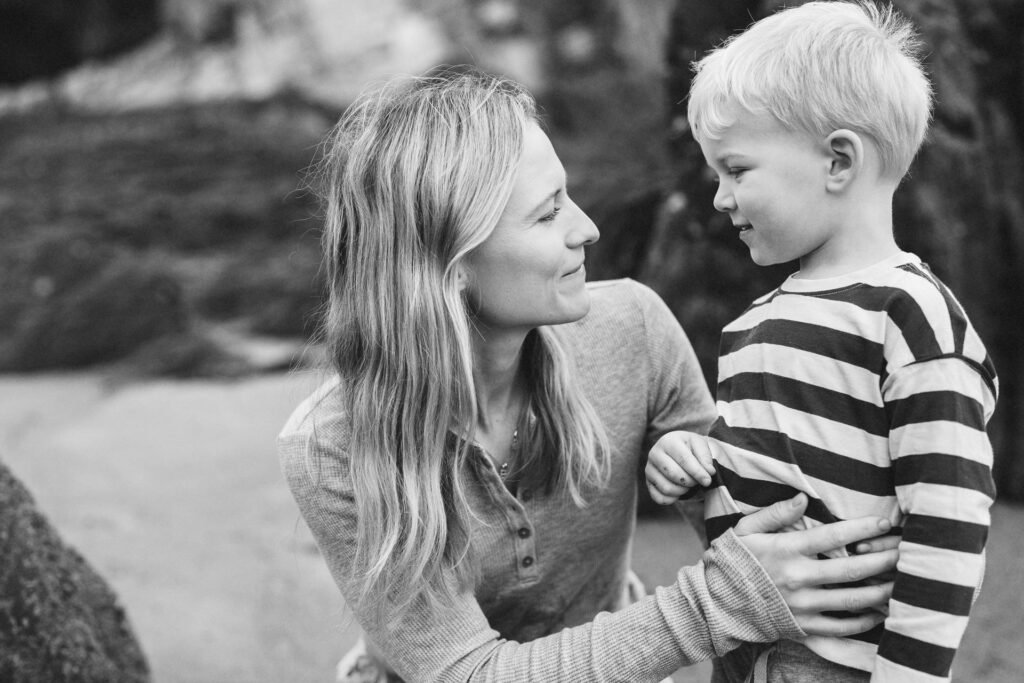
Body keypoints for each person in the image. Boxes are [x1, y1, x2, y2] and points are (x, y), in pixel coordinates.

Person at [278, 66, 900, 683]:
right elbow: (468, 675)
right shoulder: (332, 448)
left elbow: (764, 548)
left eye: (567, 196)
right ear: (451, 265)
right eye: (548, 215)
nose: (588, 229)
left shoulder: (633, 328)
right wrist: (714, 607)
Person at [644, 2, 998, 682]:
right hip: (741, 649)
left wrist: (910, 674)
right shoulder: (746, 330)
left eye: (737, 170)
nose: (719, 197)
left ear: (838, 160)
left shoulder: (910, 317)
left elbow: (948, 520)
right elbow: (759, 506)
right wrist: (693, 467)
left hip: (843, 666)